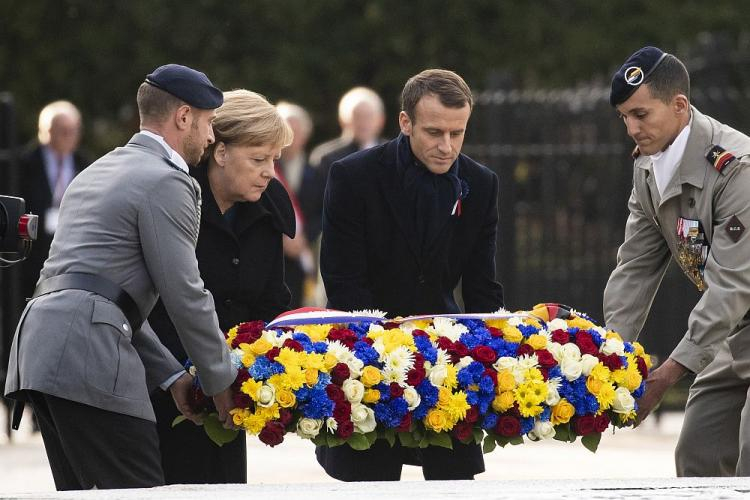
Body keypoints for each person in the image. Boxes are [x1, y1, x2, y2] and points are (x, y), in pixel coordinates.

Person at [3, 64, 237, 490]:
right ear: (183, 117)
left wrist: (171, 376)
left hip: (40, 350)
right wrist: (222, 379)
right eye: (207, 124)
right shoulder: (168, 182)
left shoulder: (94, 171)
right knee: (139, 492)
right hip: (88, 355)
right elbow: (185, 293)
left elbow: (102, 297)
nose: (209, 137)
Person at [317, 69, 504, 481]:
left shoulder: (480, 183)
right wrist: (379, 359)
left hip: (448, 362)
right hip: (365, 357)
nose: (447, 146)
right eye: (434, 132)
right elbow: (343, 280)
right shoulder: (352, 175)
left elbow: (481, 287)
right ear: (405, 123)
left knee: (454, 484)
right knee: (367, 482)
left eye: (458, 133)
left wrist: (494, 361)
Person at [603, 46, 750, 476]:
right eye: (624, 117)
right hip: (734, 328)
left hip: (733, 306)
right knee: (697, 457)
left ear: (679, 105)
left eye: (641, 114)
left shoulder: (736, 168)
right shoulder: (649, 166)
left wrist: (666, 375)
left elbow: (733, 285)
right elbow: (634, 266)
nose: (631, 128)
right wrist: (612, 354)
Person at [149, 89, 295, 484]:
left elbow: (271, 300)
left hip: (229, 390)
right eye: (258, 159)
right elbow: (158, 301)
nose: (269, 172)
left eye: (274, 160)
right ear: (221, 151)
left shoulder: (267, 204)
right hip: (160, 382)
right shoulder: (174, 195)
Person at [19, 101, 89, 301]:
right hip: (32, 252)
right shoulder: (23, 164)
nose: (68, 137)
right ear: (45, 131)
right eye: (61, 131)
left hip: (70, 252)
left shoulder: (86, 164)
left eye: (72, 131)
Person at [275, 101, 319, 307]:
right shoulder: (268, 169)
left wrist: (304, 239)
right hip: (275, 255)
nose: (290, 137)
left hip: (303, 256)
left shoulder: (317, 171)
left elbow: (321, 213)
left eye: (296, 130)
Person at [309, 86, 386, 169]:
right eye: (357, 116)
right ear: (342, 120)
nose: (363, 123)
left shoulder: (394, 153)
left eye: (368, 116)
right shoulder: (326, 157)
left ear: (381, 120)